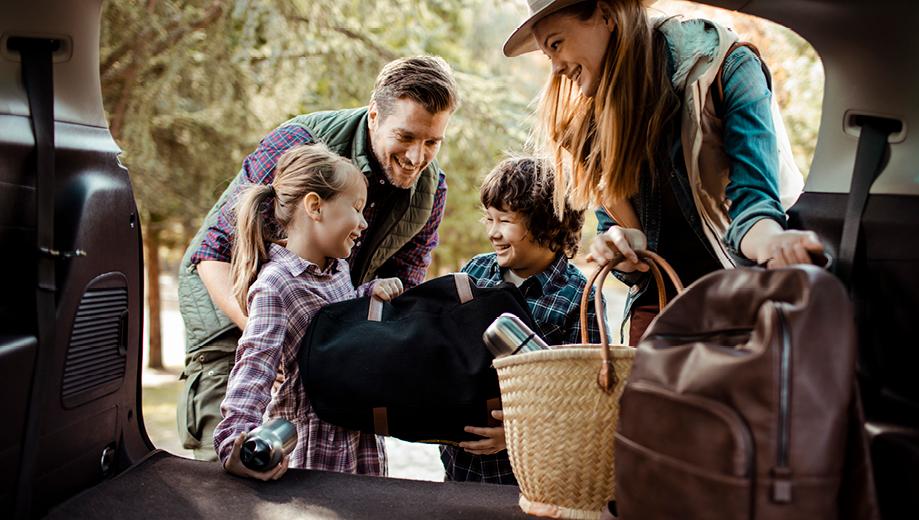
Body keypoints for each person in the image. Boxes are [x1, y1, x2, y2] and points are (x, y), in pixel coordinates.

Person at [177, 55, 458, 460]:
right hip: (234, 317)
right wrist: (273, 342)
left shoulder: (431, 192)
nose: (417, 156)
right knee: (231, 471)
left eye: (432, 142)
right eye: (407, 137)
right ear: (375, 115)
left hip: (321, 334)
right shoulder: (299, 141)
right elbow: (212, 253)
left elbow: (401, 294)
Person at [504, 0, 825, 344]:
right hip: (660, 318)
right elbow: (623, 236)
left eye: (556, 44)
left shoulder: (726, 66)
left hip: (739, 304)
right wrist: (620, 246)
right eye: (547, 55)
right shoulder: (589, 128)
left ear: (606, 14)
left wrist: (774, 243)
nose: (555, 69)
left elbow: (754, 205)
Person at [213, 143, 404, 480]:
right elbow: (254, 368)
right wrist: (234, 445)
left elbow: (335, 323)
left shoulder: (337, 270)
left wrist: (366, 294)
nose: (362, 222)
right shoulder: (276, 284)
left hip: (359, 444)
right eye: (357, 208)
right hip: (314, 452)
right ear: (315, 206)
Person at [439, 156, 606, 485]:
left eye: (504, 220)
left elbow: (585, 399)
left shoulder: (580, 298)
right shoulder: (475, 272)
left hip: (528, 475)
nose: (493, 232)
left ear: (548, 223)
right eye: (488, 219)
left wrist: (515, 435)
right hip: (460, 468)